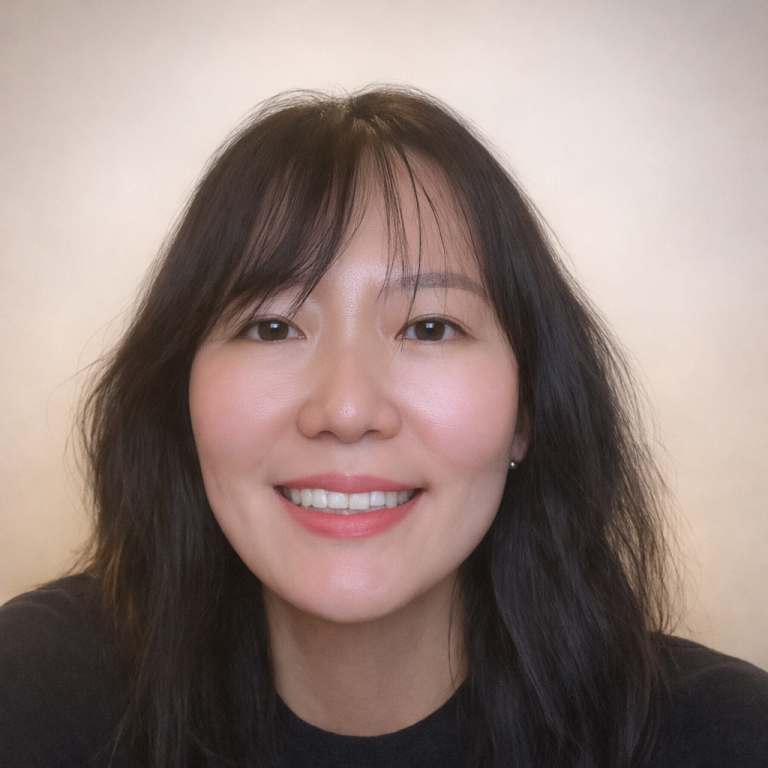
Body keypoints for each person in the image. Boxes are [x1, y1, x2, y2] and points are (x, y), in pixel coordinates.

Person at [1, 86, 767, 768]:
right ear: (183, 398)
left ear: (527, 410)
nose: (346, 410)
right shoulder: (39, 691)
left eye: (430, 327)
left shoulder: (727, 736)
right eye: (271, 327)